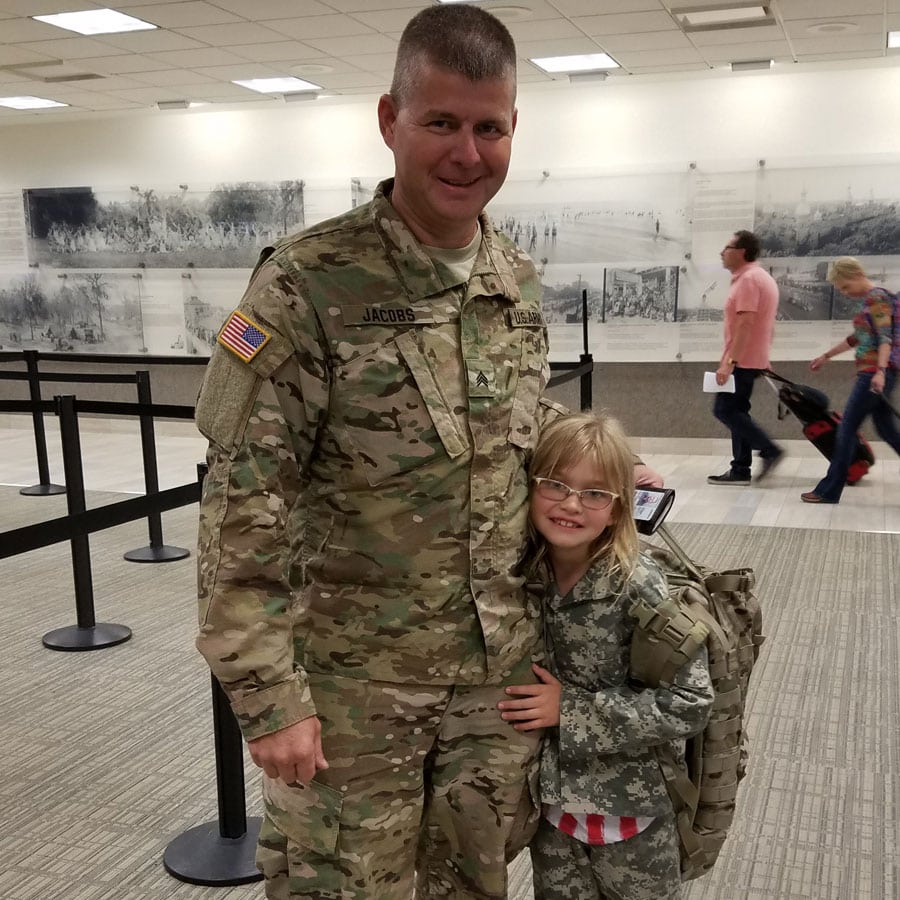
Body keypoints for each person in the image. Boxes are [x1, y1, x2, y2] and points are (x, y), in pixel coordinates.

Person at [497, 412, 713, 900]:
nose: (571, 504)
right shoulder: (525, 575)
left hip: (633, 818)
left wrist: (568, 711)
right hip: (554, 812)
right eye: (554, 485)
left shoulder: (639, 586)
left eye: (595, 493)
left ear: (618, 509)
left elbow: (691, 701)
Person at [801, 256, 900, 504]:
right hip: (878, 373)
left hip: (873, 375)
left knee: (845, 430)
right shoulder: (870, 301)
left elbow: (885, 338)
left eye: (845, 287)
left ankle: (829, 490)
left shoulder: (877, 298)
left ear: (856, 274)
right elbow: (855, 338)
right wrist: (826, 356)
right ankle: (829, 489)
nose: (845, 293)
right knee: (887, 430)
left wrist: (879, 371)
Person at [708, 229, 783, 486]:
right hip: (750, 359)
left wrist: (730, 362)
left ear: (741, 252)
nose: (722, 252)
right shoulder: (758, 277)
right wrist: (762, 358)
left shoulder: (750, 279)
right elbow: (766, 325)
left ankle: (768, 448)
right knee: (737, 411)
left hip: (741, 360)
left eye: (727, 248)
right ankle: (740, 468)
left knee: (724, 410)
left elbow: (746, 324)